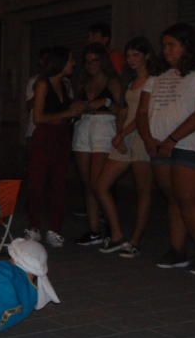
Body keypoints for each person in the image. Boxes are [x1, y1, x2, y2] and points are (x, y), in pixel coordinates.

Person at [137, 23, 195, 275]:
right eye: (164, 45)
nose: (166, 51)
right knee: (173, 198)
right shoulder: (158, 77)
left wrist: (173, 138)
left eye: (171, 45)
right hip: (160, 145)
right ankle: (177, 250)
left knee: (188, 198)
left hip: (190, 144)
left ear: (187, 46)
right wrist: (148, 139)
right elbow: (142, 112)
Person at [95, 37, 157, 258]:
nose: (131, 60)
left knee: (143, 191)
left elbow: (143, 114)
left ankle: (135, 240)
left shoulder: (154, 80)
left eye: (136, 55)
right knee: (101, 185)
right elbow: (125, 111)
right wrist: (119, 133)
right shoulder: (131, 82)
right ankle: (118, 235)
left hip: (141, 137)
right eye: (128, 55)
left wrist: (122, 134)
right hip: (125, 137)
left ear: (147, 56)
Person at [25, 47, 86, 247]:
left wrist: (74, 112)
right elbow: (38, 117)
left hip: (62, 136)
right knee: (37, 183)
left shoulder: (66, 84)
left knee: (59, 184)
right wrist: (67, 114)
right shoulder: (42, 84)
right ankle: (34, 226)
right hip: (44, 137)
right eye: (70, 61)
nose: (73, 64)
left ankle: (54, 228)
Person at [72, 43, 124, 246]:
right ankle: (94, 229)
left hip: (104, 127)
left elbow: (122, 109)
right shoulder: (83, 83)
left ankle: (113, 229)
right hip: (84, 126)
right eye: (88, 61)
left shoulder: (112, 81)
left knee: (98, 182)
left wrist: (106, 103)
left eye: (95, 60)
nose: (91, 64)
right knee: (87, 183)